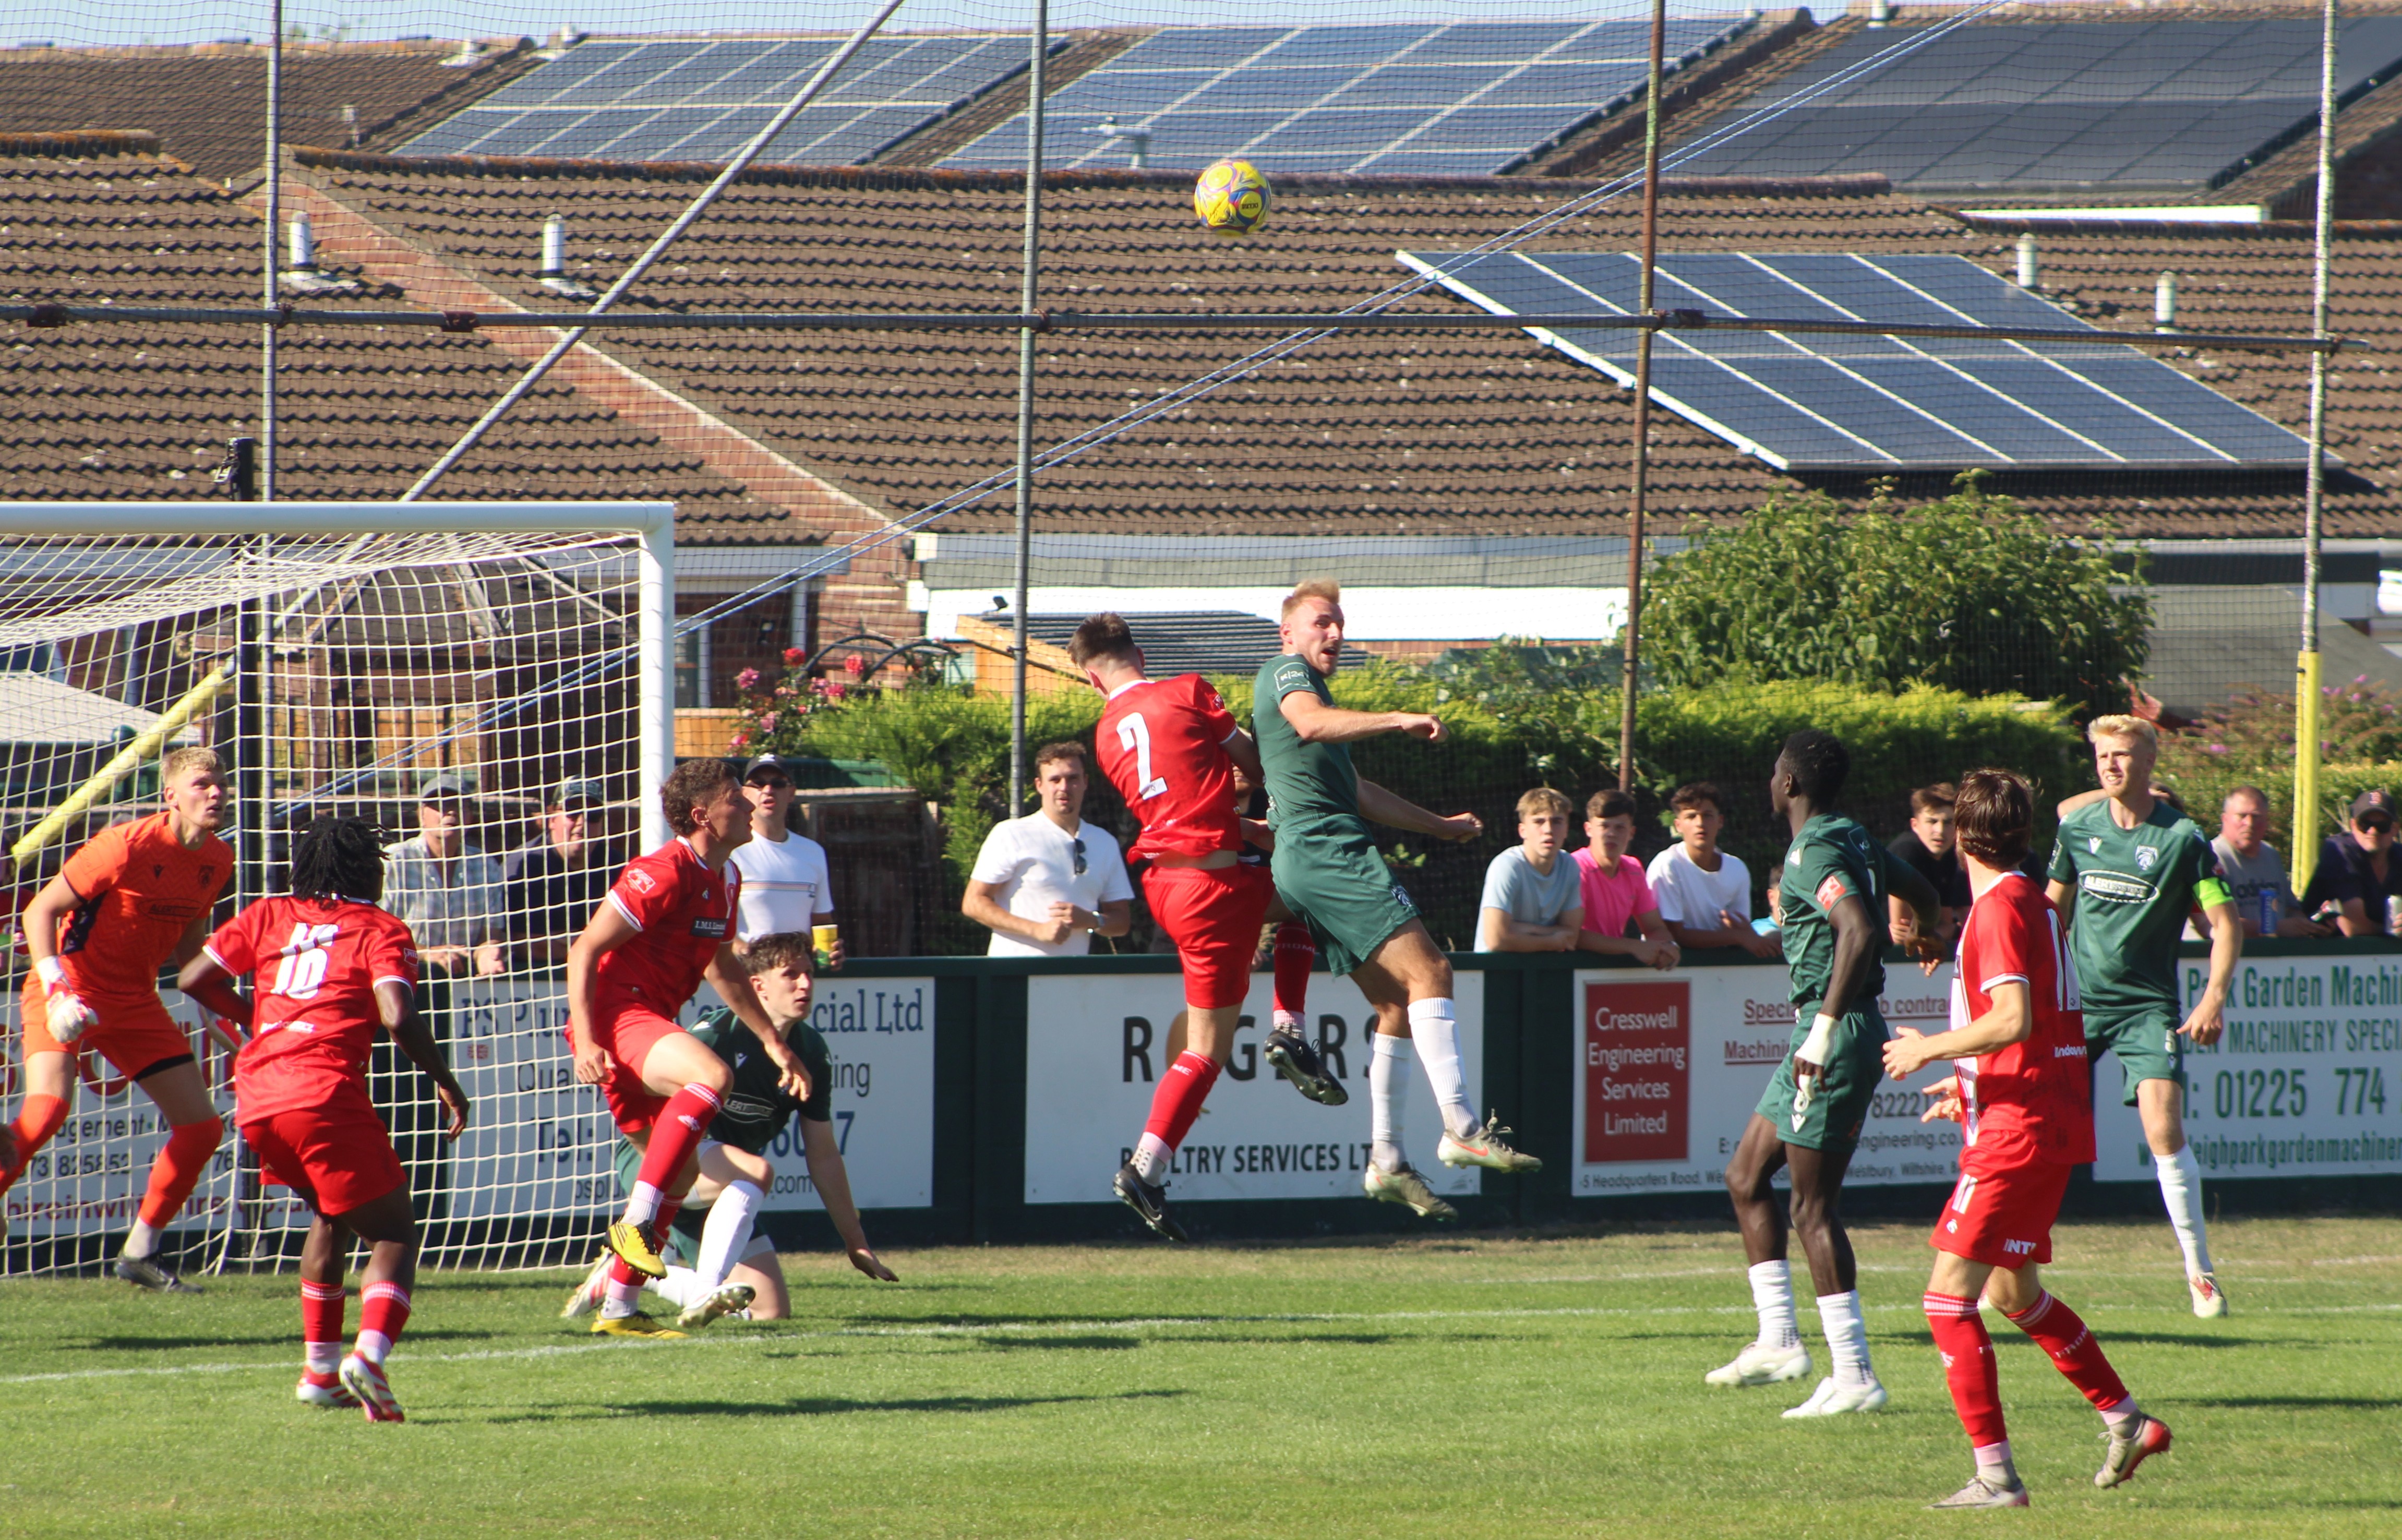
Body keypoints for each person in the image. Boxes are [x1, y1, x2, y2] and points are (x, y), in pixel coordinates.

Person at [1882, 769, 2172, 1508]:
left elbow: (2012, 1018)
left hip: (2020, 1131)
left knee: (1947, 1302)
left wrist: (1927, 1050)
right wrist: (1970, 1083)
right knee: (2013, 1290)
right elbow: (2033, 1027)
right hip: (2042, 1116)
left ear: (1964, 836)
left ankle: (1996, 1478)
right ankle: (2127, 1420)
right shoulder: (2033, 903)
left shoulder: (1999, 909)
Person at [1253, 578, 1538, 1224]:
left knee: (1395, 1006)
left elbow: (1357, 791)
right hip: (1327, 855)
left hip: (1313, 858)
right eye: (1321, 622)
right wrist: (1397, 718)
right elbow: (1310, 722)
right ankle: (1462, 1126)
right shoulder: (1285, 674)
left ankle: (1385, 1158)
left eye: (1339, 623)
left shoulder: (1315, 699)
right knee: (1432, 972)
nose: (1334, 632)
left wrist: (1439, 826)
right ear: (1287, 633)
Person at [177, 814, 470, 1422]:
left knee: (332, 1215)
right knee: (394, 1234)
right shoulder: (379, 927)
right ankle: (369, 1357)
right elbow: (397, 1014)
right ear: (368, 871)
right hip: (323, 1091)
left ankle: (319, 1373)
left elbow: (193, 978)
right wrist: (445, 1080)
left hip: (259, 1097)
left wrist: (258, 1020)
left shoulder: (268, 913)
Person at [1069, 614, 1344, 1241]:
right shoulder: (1187, 689)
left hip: (1170, 888)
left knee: (1292, 904)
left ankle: (1147, 1170)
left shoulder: (1105, 734)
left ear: (1092, 679)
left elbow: (1182, 806)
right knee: (1208, 1046)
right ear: (1140, 654)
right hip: (1213, 890)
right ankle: (1288, 1031)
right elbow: (1258, 763)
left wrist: (1240, 825)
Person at [1713, 729, 1941, 1415]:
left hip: (1831, 1034)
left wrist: (1821, 1029)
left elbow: (1859, 930)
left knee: (1812, 1209)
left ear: (1789, 784)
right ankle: (1779, 1340)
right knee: (1745, 1177)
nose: (1769, 781)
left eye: (1773, 771)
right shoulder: (1853, 836)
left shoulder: (1813, 850)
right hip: (1823, 1031)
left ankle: (1854, 1373)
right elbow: (1920, 888)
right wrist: (1925, 927)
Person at [566, 757, 812, 1336]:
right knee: (713, 1077)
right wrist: (587, 1038)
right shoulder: (663, 871)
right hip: (617, 1014)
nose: (749, 804)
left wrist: (772, 1041)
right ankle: (634, 1224)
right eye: (735, 797)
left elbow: (721, 966)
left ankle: (620, 1309)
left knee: (678, 1179)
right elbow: (584, 949)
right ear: (703, 816)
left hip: (645, 1020)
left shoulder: (727, 877)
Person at [562, 931, 896, 1326]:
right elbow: (655, 1109)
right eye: (791, 975)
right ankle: (703, 1287)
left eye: (809, 973)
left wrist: (855, 1242)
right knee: (756, 1171)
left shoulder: (811, 1052)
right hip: (659, 1163)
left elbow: (823, 1155)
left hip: (727, 1188)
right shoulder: (718, 1034)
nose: (805, 984)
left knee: (770, 1312)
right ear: (758, 987)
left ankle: (624, 1275)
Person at [4, 746, 236, 1292]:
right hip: (69, 990)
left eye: (220, 783)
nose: (216, 793)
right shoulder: (125, 844)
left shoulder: (217, 858)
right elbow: (39, 910)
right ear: (170, 795)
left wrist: (220, 1012)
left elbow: (190, 944)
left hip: (134, 1002)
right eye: (202, 784)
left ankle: (139, 1252)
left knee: (202, 1129)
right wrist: (57, 989)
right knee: (47, 1110)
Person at [2047, 715, 2241, 1319]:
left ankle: (2199, 1274)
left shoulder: (2182, 838)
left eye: (2123, 755)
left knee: (2162, 1128)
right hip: (2076, 1004)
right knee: (2025, 1120)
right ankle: (1999, 1253)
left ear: (2149, 761)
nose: (2110, 765)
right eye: (2102, 756)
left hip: (2144, 1008)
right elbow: (2049, 913)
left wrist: (2212, 998)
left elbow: (2225, 926)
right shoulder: (2078, 828)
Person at [962, 742, 1134, 957]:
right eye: (1055, 780)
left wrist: (1091, 920)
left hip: (1071, 975)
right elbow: (973, 903)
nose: (1064, 787)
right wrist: (1037, 930)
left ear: (1085, 782)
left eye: (1073, 778)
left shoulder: (1105, 843)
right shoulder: (1011, 834)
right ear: (1039, 785)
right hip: (1013, 973)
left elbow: (1121, 922)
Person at [382, 773, 506, 977]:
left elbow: (491, 932)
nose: (451, 812)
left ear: (470, 816)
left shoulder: (486, 865)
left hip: (465, 980)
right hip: (404, 977)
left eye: (458, 805)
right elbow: (375, 933)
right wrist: (426, 953)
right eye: (439, 805)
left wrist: (486, 953)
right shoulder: (394, 860)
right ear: (422, 815)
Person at [728, 754, 844, 965]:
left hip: (796, 976)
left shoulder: (813, 852)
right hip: (747, 974)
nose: (768, 790)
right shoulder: (730, 851)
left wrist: (829, 952)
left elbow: (821, 922)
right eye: (758, 784)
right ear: (744, 793)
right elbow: (714, 925)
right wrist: (749, 956)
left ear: (791, 793)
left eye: (778, 784)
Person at [1647, 781, 1779, 959]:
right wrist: (1736, 937)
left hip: (1719, 968)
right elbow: (1673, 935)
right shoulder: (1666, 864)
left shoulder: (1737, 868)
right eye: (1691, 817)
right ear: (1678, 825)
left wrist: (1743, 937)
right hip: (1670, 968)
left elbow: (1740, 929)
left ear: (1720, 821)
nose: (1700, 823)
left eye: (1707, 815)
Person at [504, 778, 617, 969]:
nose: (582, 822)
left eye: (593, 815)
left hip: (600, 971)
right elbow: (530, 947)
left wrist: (569, 941)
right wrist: (596, 944)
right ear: (552, 819)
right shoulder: (526, 864)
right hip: (537, 978)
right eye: (573, 812)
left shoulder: (614, 863)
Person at [1573, 789, 1679, 971]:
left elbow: (1654, 927)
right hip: (1571, 971)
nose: (1611, 834)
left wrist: (1667, 946)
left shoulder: (1634, 868)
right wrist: (1632, 946)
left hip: (1610, 973)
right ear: (1588, 829)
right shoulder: (1575, 868)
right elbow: (1573, 934)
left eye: (1620, 827)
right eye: (1604, 826)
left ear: (1632, 833)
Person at [1477, 787, 1583, 953]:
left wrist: (1518, 929)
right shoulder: (1507, 866)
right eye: (1539, 821)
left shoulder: (1570, 865)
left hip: (1545, 967)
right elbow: (1497, 940)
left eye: (1557, 821)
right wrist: (1552, 941)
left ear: (1566, 829)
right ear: (1523, 830)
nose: (1548, 830)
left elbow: (1571, 936)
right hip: (1496, 967)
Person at [2214, 785, 2327, 939]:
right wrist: (2274, 928)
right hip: (2235, 950)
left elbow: (2290, 909)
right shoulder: (2213, 857)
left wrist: (2312, 925)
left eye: (2256, 817)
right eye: (2242, 816)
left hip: (2275, 952)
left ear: (2267, 820)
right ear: (2225, 819)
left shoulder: (2270, 854)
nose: (2249, 823)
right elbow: (2215, 925)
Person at [2300, 789, 2402, 939]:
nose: (2373, 832)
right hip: (2321, 950)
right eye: (2365, 825)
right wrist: (2391, 931)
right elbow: (2354, 927)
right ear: (2353, 826)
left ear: (2395, 828)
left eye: (2382, 825)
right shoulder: (2338, 852)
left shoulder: (2398, 856)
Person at [1887, 784, 1972, 945]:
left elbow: (1945, 924)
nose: (1940, 830)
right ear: (1915, 825)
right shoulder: (1906, 852)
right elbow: (1903, 934)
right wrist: (1954, 930)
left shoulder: (1950, 856)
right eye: (1932, 821)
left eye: (1948, 822)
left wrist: (1950, 930)